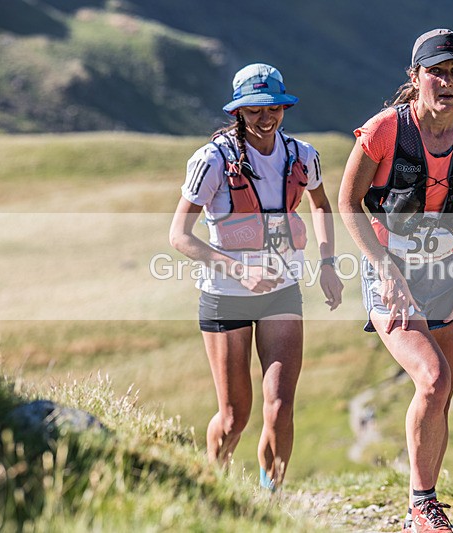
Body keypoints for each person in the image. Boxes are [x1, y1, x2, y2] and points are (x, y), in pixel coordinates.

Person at [338, 29, 453, 532]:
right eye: (436, 72)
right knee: (431, 380)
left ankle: (423, 506)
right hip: (391, 271)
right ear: (415, 78)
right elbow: (348, 202)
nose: (447, 82)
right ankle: (420, 504)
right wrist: (385, 269)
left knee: (443, 392)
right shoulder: (385, 130)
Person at [169, 63, 343, 490]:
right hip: (225, 296)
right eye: (254, 110)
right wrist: (238, 270)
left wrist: (326, 263)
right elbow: (178, 236)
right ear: (238, 111)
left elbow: (320, 205)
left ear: (284, 107)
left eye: (274, 109)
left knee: (280, 407)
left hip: (282, 293)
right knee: (234, 417)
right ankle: (213, 487)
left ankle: (271, 501)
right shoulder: (211, 160)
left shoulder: (303, 154)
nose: (265, 119)